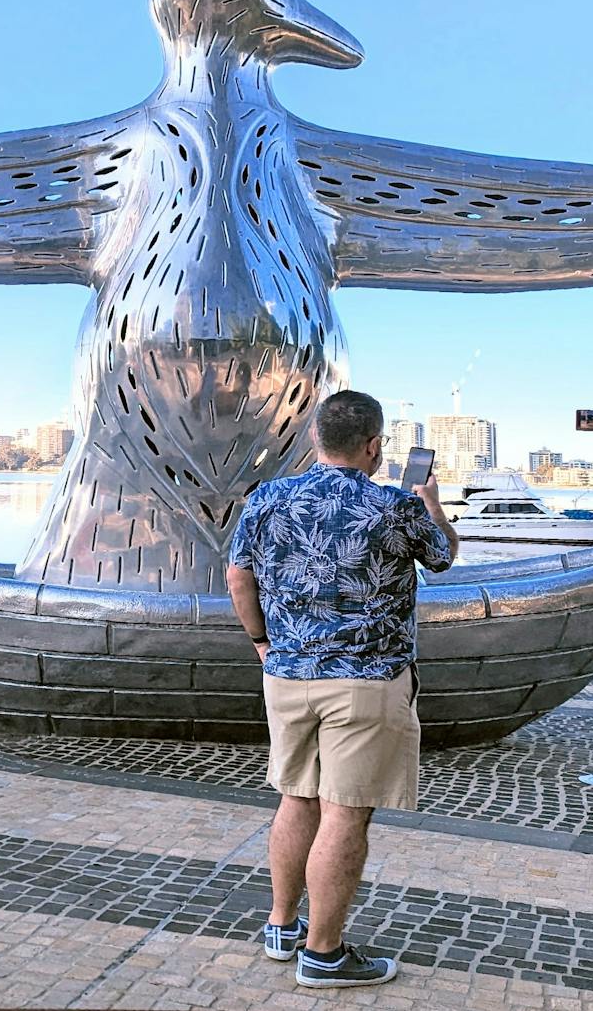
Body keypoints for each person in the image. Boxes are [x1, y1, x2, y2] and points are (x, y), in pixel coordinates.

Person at [226, 390, 458, 990]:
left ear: (314, 440)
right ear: (375, 446)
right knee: (346, 814)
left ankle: (282, 927)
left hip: (288, 674)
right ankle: (323, 955)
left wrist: (262, 641)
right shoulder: (393, 506)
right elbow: (443, 559)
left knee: (297, 798)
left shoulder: (268, 499)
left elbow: (237, 574)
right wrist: (430, 503)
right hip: (366, 681)